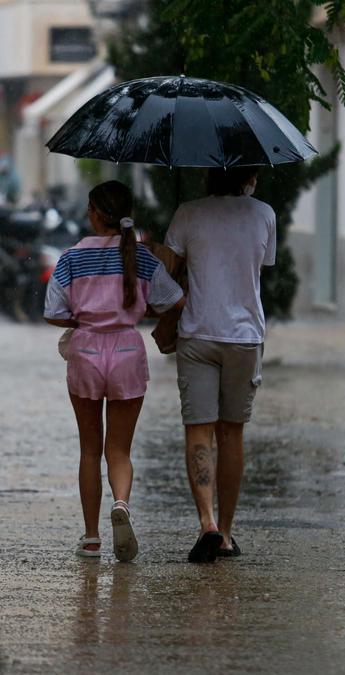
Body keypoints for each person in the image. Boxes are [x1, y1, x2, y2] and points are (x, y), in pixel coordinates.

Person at [44, 181, 185, 562]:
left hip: (87, 351)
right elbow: (175, 300)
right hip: (127, 350)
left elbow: (53, 312)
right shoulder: (142, 258)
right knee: (119, 450)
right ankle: (121, 504)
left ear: (93, 212)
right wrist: (140, 309)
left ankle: (91, 539)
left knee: (89, 450)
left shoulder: (71, 258)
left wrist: (87, 316)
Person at [164, 166, 275, 563]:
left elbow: (167, 273)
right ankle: (226, 535)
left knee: (198, 430)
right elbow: (258, 268)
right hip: (245, 338)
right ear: (248, 178)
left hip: (198, 334)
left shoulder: (188, 212)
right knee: (232, 434)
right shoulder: (264, 214)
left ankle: (207, 523)